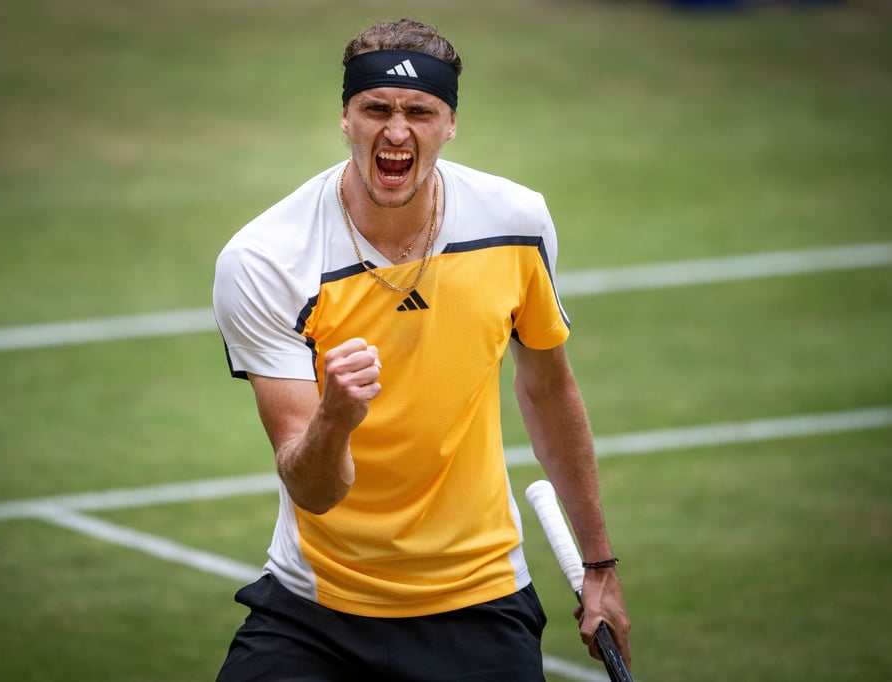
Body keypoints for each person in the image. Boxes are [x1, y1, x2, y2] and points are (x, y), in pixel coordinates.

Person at [212, 18, 631, 681]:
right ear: (345, 118)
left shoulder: (515, 224)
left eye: (420, 111)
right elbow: (312, 488)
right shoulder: (266, 259)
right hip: (316, 608)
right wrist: (336, 419)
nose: (397, 130)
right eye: (376, 108)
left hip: (479, 599)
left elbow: (549, 389)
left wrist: (600, 566)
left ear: (450, 123)